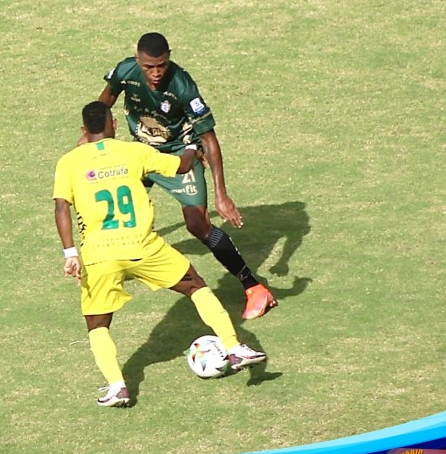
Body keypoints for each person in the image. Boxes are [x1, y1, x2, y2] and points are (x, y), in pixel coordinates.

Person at [54, 101, 267, 407]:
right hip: (142, 246)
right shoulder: (134, 151)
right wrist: (192, 148)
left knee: (97, 324)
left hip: (99, 256)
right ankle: (233, 348)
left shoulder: (69, 162)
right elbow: (180, 166)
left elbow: (61, 207)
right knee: (195, 285)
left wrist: (70, 253)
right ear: (113, 125)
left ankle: (117, 386)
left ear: (83, 131)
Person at [92, 32, 278, 320]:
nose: (156, 73)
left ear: (169, 58)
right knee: (109, 198)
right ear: (138, 60)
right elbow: (103, 104)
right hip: (142, 153)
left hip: (180, 155)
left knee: (197, 225)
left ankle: (254, 288)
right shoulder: (126, 71)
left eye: (162, 65)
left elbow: (210, 139)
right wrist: (93, 138)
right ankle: (109, 263)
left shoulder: (182, 85)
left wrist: (221, 194)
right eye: (149, 67)